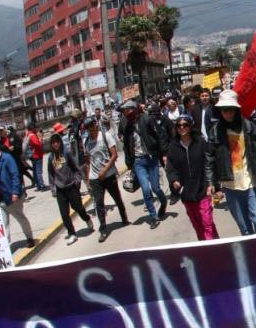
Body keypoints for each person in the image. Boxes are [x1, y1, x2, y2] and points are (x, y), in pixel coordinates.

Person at [206, 90, 256, 236]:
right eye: (224, 110)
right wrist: (212, 183)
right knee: (244, 228)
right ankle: (253, 254)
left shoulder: (249, 127)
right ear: (220, 111)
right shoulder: (215, 132)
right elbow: (210, 158)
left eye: (231, 110)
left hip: (252, 182)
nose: (228, 113)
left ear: (236, 110)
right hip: (230, 186)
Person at [165, 113, 219, 241]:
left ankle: (211, 248)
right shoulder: (173, 147)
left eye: (185, 125)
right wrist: (174, 180)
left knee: (207, 221)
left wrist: (212, 183)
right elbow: (170, 168)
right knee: (197, 223)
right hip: (187, 192)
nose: (182, 128)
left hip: (202, 188)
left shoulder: (200, 142)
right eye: (179, 126)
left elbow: (209, 162)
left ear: (190, 126)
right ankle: (208, 244)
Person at [120, 100, 169, 229]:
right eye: (125, 111)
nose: (126, 113)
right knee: (146, 190)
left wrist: (163, 154)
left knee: (156, 188)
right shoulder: (127, 127)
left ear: (135, 109)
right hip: (138, 162)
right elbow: (126, 146)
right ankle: (154, 217)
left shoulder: (147, 119)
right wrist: (129, 164)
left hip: (151, 158)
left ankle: (163, 202)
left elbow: (160, 136)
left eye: (128, 110)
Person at [83, 115, 128, 243]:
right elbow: (87, 161)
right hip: (95, 178)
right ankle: (103, 229)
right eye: (87, 127)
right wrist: (88, 179)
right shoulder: (86, 142)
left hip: (108, 175)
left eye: (92, 125)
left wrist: (105, 170)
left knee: (117, 198)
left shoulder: (105, 136)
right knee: (99, 203)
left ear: (96, 124)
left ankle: (124, 217)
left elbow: (114, 155)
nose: (90, 129)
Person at [45, 133, 94, 245]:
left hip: (71, 186)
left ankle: (87, 219)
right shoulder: (50, 158)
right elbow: (51, 174)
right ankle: (72, 233)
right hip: (60, 189)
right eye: (53, 143)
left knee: (78, 207)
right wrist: (53, 189)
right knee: (64, 214)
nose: (55, 144)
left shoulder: (66, 153)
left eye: (57, 142)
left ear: (60, 142)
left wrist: (77, 182)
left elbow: (76, 169)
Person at [0, 141, 35, 248]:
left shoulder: (7, 158)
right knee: (3, 224)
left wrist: (15, 192)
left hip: (10, 197)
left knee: (20, 218)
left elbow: (15, 175)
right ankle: (5, 247)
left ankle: (29, 237)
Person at [25, 124, 47, 191]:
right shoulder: (32, 135)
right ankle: (41, 185)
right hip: (37, 155)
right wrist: (40, 139)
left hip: (32, 155)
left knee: (35, 171)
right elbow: (37, 144)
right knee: (38, 171)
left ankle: (38, 185)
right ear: (33, 128)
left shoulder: (27, 135)